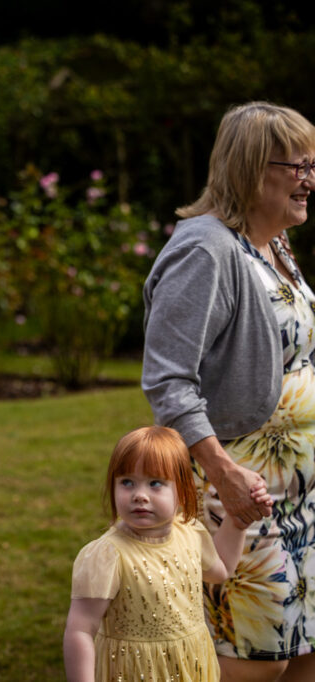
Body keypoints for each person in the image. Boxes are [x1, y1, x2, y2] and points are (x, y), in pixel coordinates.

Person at [142, 101, 315, 680]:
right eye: (297, 165)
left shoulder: (274, 246)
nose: (309, 178)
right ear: (250, 168)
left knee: (305, 651)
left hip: (298, 495)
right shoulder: (206, 249)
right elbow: (168, 378)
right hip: (240, 493)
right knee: (255, 661)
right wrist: (221, 473)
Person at [63, 426, 268, 682]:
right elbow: (81, 630)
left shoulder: (190, 533)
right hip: (132, 671)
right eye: (127, 482)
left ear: (181, 491)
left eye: (155, 483)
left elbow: (222, 569)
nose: (140, 495)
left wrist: (237, 522)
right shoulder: (107, 555)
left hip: (190, 667)